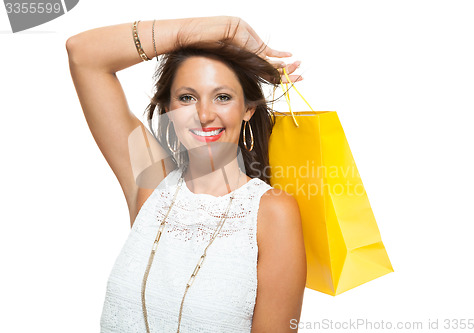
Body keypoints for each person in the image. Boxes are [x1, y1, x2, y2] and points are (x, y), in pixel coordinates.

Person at [66, 16, 307, 332]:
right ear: (169, 109)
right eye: (187, 97)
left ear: (248, 108)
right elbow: (82, 54)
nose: (205, 115)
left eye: (222, 96)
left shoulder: (271, 212)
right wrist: (224, 29)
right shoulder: (152, 183)